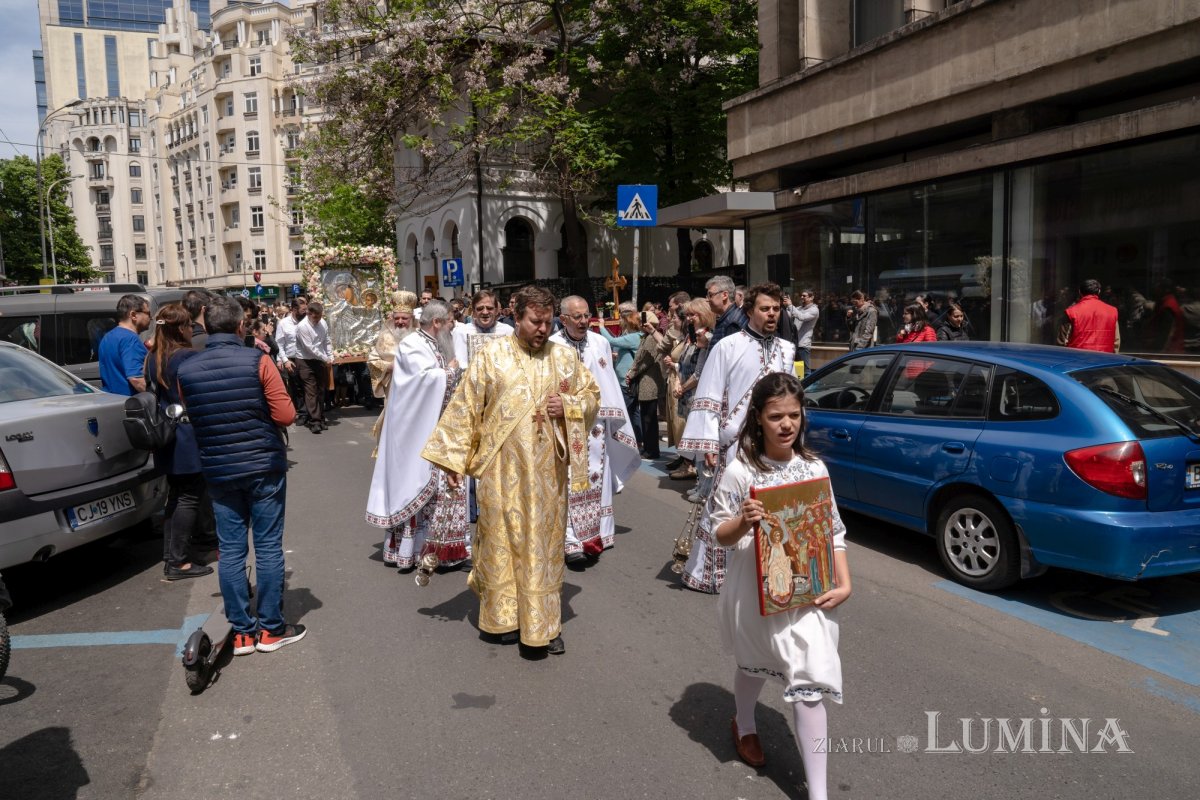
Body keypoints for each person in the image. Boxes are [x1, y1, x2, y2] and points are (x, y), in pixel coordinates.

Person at [422, 285, 600, 655]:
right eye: (535, 321)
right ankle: (503, 618)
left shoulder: (564, 357)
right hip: (500, 472)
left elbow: (591, 397)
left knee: (543, 547)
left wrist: (568, 406)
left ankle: (543, 624)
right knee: (500, 542)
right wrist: (453, 462)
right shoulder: (492, 356)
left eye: (547, 322)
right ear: (516, 318)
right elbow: (466, 406)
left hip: (548, 476)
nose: (542, 329)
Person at [712, 372, 850, 799]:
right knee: (754, 664)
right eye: (776, 417)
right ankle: (744, 723)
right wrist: (743, 520)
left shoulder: (814, 468)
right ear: (758, 418)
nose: (786, 424)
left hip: (808, 593)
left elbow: (832, 529)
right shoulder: (740, 472)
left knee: (811, 681)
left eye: (794, 414)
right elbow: (719, 534)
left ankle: (818, 794)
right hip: (758, 591)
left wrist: (845, 582)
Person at [176, 296, 304, 656]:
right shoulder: (258, 361)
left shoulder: (186, 369)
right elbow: (286, 415)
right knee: (267, 545)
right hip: (262, 465)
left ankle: (243, 633)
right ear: (239, 326)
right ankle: (271, 629)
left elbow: (194, 414)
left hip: (218, 468)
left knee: (231, 549)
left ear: (206, 325)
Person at [678, 284, 795, 593]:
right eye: (765, 308)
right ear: (750, 311)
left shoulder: (787, 349)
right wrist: (709, 444)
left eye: (776, 309)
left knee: (768, 508)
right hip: (733, 445)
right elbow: (710, 394)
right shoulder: (727, 346)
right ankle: (715, 575)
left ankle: (767, 573)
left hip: (772, 446)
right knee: (727, 509)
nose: (772, 314)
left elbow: (791, 398)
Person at [366, 300, 470, 570]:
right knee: (417, 485)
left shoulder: (433, 344)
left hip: (436, 428)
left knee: (444, 489)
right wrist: (451, 372)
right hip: (415, 432)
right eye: (449, 322)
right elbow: (421, 383)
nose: (452, 327)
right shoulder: (413, 344)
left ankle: (443, 550)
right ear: (437, 322)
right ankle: (413, 551)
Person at [550, 296, 640, 562]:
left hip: (597, 425)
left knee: (595, 477)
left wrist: (613, 421)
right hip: (565, 426)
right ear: (563, 319)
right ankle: (570, 539)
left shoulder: (600, 342)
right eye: (576, 317)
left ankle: (596, 533)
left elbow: (607, 383)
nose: (583, 321)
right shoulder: (552, 346)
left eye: (585, 315)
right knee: (568, 480)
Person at [143, 303, 214, 581]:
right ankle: (179, 561)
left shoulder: (153, 357)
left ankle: (171, 555)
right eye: (188, 326)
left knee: (176, 496)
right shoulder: (185, 357)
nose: (191, 330)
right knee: (189, 497)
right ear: (182, 328)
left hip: (167, 434)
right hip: (186, 435)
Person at [598, 303, 645, 450]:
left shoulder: (634, 337)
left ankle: (626, 440)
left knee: (624, 411)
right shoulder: (632, 336)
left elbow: (612, 341)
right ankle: (638, 440)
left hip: (627, 381)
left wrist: (601, 327)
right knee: (634, 412)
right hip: (625, 380)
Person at [626, 311, 666, 460]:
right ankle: (649, 448)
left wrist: (631, 373)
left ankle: (651, 450)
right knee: (646, 416)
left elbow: (644, 360)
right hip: (646, 381)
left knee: (649, 417)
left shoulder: (650, 339)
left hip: (650, 382)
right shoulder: (646, 337)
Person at [99, 294, 151, 395]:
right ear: (133, 315)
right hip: (130, 400)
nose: (151, 318)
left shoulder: (108, 337)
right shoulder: (130, 339)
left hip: (111, 399)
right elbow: (136, 379)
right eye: (148, 313)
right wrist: (158, 397)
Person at [294, 300, 333, 433]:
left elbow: (327, 340)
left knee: (321, 390)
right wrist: (325, 358)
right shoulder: (302, 326)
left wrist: (330, 355)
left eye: (320, 316)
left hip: (319, 360)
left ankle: (321, 418)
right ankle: (314, 421)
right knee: (311, 391)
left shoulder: (323, 323)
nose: (318, 320)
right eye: (315, 317)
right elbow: (309, 348)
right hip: (305, 361)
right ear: (309, 314)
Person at [1058, 279, 1120, 353]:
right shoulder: (1112, 311)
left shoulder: (1071, 312)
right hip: (1105, 357)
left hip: (1077, 358)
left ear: (1080, 292)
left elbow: (1063, 341)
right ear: (1099, 291)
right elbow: (1116, 341)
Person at [453, 289, 515, 363]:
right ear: (474, 311)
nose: (485, 312)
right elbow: (459, 363)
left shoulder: (508, 332)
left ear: (496, 311)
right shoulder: (461, 332)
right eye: (480, 309)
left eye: (489, 308)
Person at [275, 296, 309, 421]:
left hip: (307, 359)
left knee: (308, 387)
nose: (305, 312)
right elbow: (279, 344)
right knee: (297, 387)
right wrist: (284, 360)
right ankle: (302, 413)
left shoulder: (308, 321)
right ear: (294, 310)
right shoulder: (283, 323)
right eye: (303, 310)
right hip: (292, 360)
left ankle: (311, 412)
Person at [784, 288, 820, 376]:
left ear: (811, 298)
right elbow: (788, 315)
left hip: (803, 344)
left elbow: (802, 317)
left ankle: (809, 385)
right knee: (799, 371)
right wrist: (784, 306)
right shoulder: (799, 308)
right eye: (801, 295)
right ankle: (800, 383)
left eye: (804, 296)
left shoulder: (814, 310)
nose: (802, 297)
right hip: (796, 343)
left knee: (805, 371)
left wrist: (790, 305)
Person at [706, 276, 747, 348]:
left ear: (724, 295)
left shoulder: (733, 323)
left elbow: (733, 353)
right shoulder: (727, 318)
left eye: (710, 295)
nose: (707, 300)